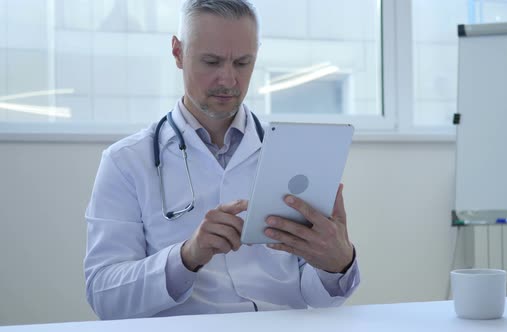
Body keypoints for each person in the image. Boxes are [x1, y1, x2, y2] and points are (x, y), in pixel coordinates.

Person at [84, 0, 360, 320]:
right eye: (211, 61)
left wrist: (336, 263)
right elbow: (104, 295)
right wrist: (186, 257)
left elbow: (318, 297)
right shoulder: (125, 162)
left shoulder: (295, 154)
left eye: (243, 63)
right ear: (177, 52)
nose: (228, 80)